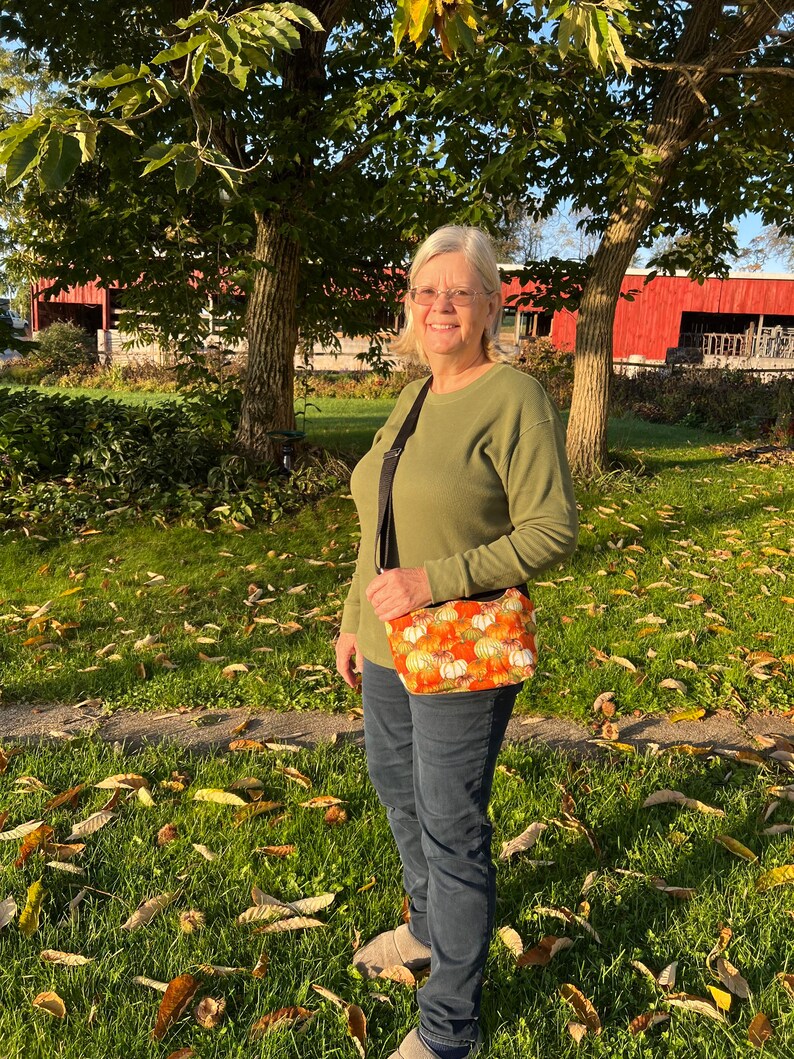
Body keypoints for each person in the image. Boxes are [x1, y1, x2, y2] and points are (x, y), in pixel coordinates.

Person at [335, 225, 578, 1059]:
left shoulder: (513, 397)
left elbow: (552, 529)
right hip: (384, 642)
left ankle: (448, 1028)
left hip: (458, 646)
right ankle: (426, 926)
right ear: (409, 305)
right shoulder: (412, 396)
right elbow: (380, 523)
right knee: (399, 794)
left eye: (459, 292)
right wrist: (350, 620)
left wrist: (434, 580)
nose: (441, 306)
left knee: (450, 823)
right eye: (425, 291)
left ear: (490, 306)